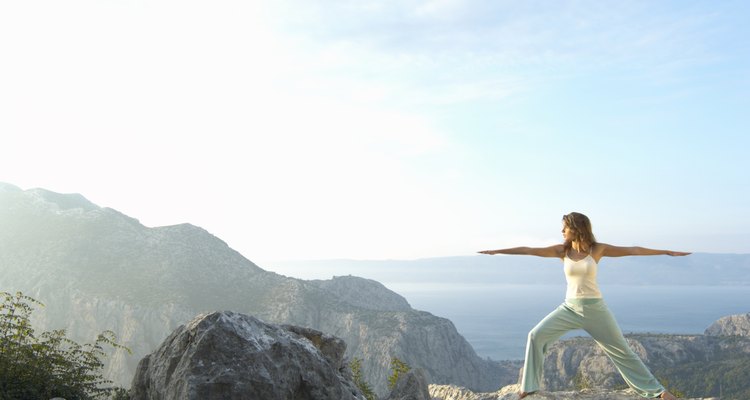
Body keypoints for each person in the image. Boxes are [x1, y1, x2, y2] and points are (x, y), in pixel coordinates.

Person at [479, 212, 690, 400]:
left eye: (565, 227)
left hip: (595, 310)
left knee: (622, 351)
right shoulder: (562, 251)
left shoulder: (597, 249)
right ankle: (528, 387)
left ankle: (659, 392)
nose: (562, 231)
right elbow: (529, 250)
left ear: (577, 228)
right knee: (535, 335)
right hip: (569, 308)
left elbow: (633, 249)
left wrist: (666, 252)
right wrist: (497, 251)